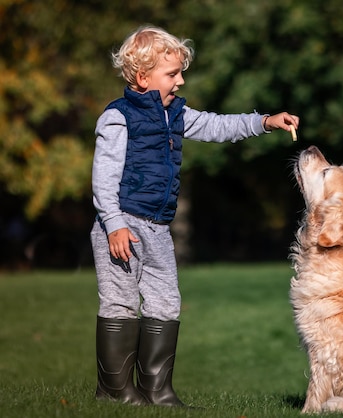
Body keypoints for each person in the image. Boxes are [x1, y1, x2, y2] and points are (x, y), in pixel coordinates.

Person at [90, 25, 299, 407]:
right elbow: (103, 179)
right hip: (121, 227)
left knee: (166, 303)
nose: (181, 80)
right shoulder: (118, 118)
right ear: (142, 77)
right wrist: (114, 224)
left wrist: (264, 121)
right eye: (172, 74)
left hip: (157, 229)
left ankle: (157, 390)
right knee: (119, 303)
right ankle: (115, 391)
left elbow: (219, 125)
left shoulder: (177, 114)